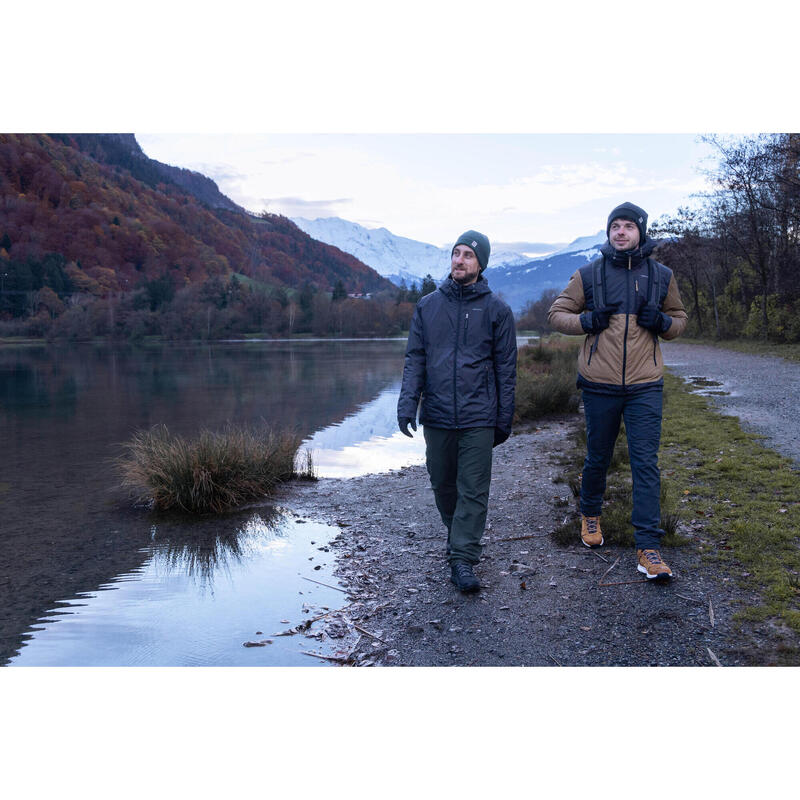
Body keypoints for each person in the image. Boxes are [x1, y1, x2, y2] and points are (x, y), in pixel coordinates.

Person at [548, 202, 688, 579]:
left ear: (640, 231)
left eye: (628, 226)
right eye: (615, 226)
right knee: (598, 456)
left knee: (645, 464)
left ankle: (648, 547)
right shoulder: (589, 275)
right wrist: (587, 320)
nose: (621, 232)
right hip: (599, 384)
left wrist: (660, 321)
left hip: (645, 385)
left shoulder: (661, 275)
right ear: (608, 232)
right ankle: (590, 515)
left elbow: (679, 321)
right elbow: (556, 313)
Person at [398, 230, 517, 593]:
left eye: (468, 255)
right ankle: (459, 536)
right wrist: (407, 403)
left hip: (479, 415)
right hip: (436, 414)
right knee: (442, 485)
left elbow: (506, 370)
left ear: (481, 264)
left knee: (474, 490)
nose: (459, 260)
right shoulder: (428, 306)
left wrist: (503, 420)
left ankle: (463, 559)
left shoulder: (497, 310)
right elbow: (415, 358)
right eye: (456, 253)